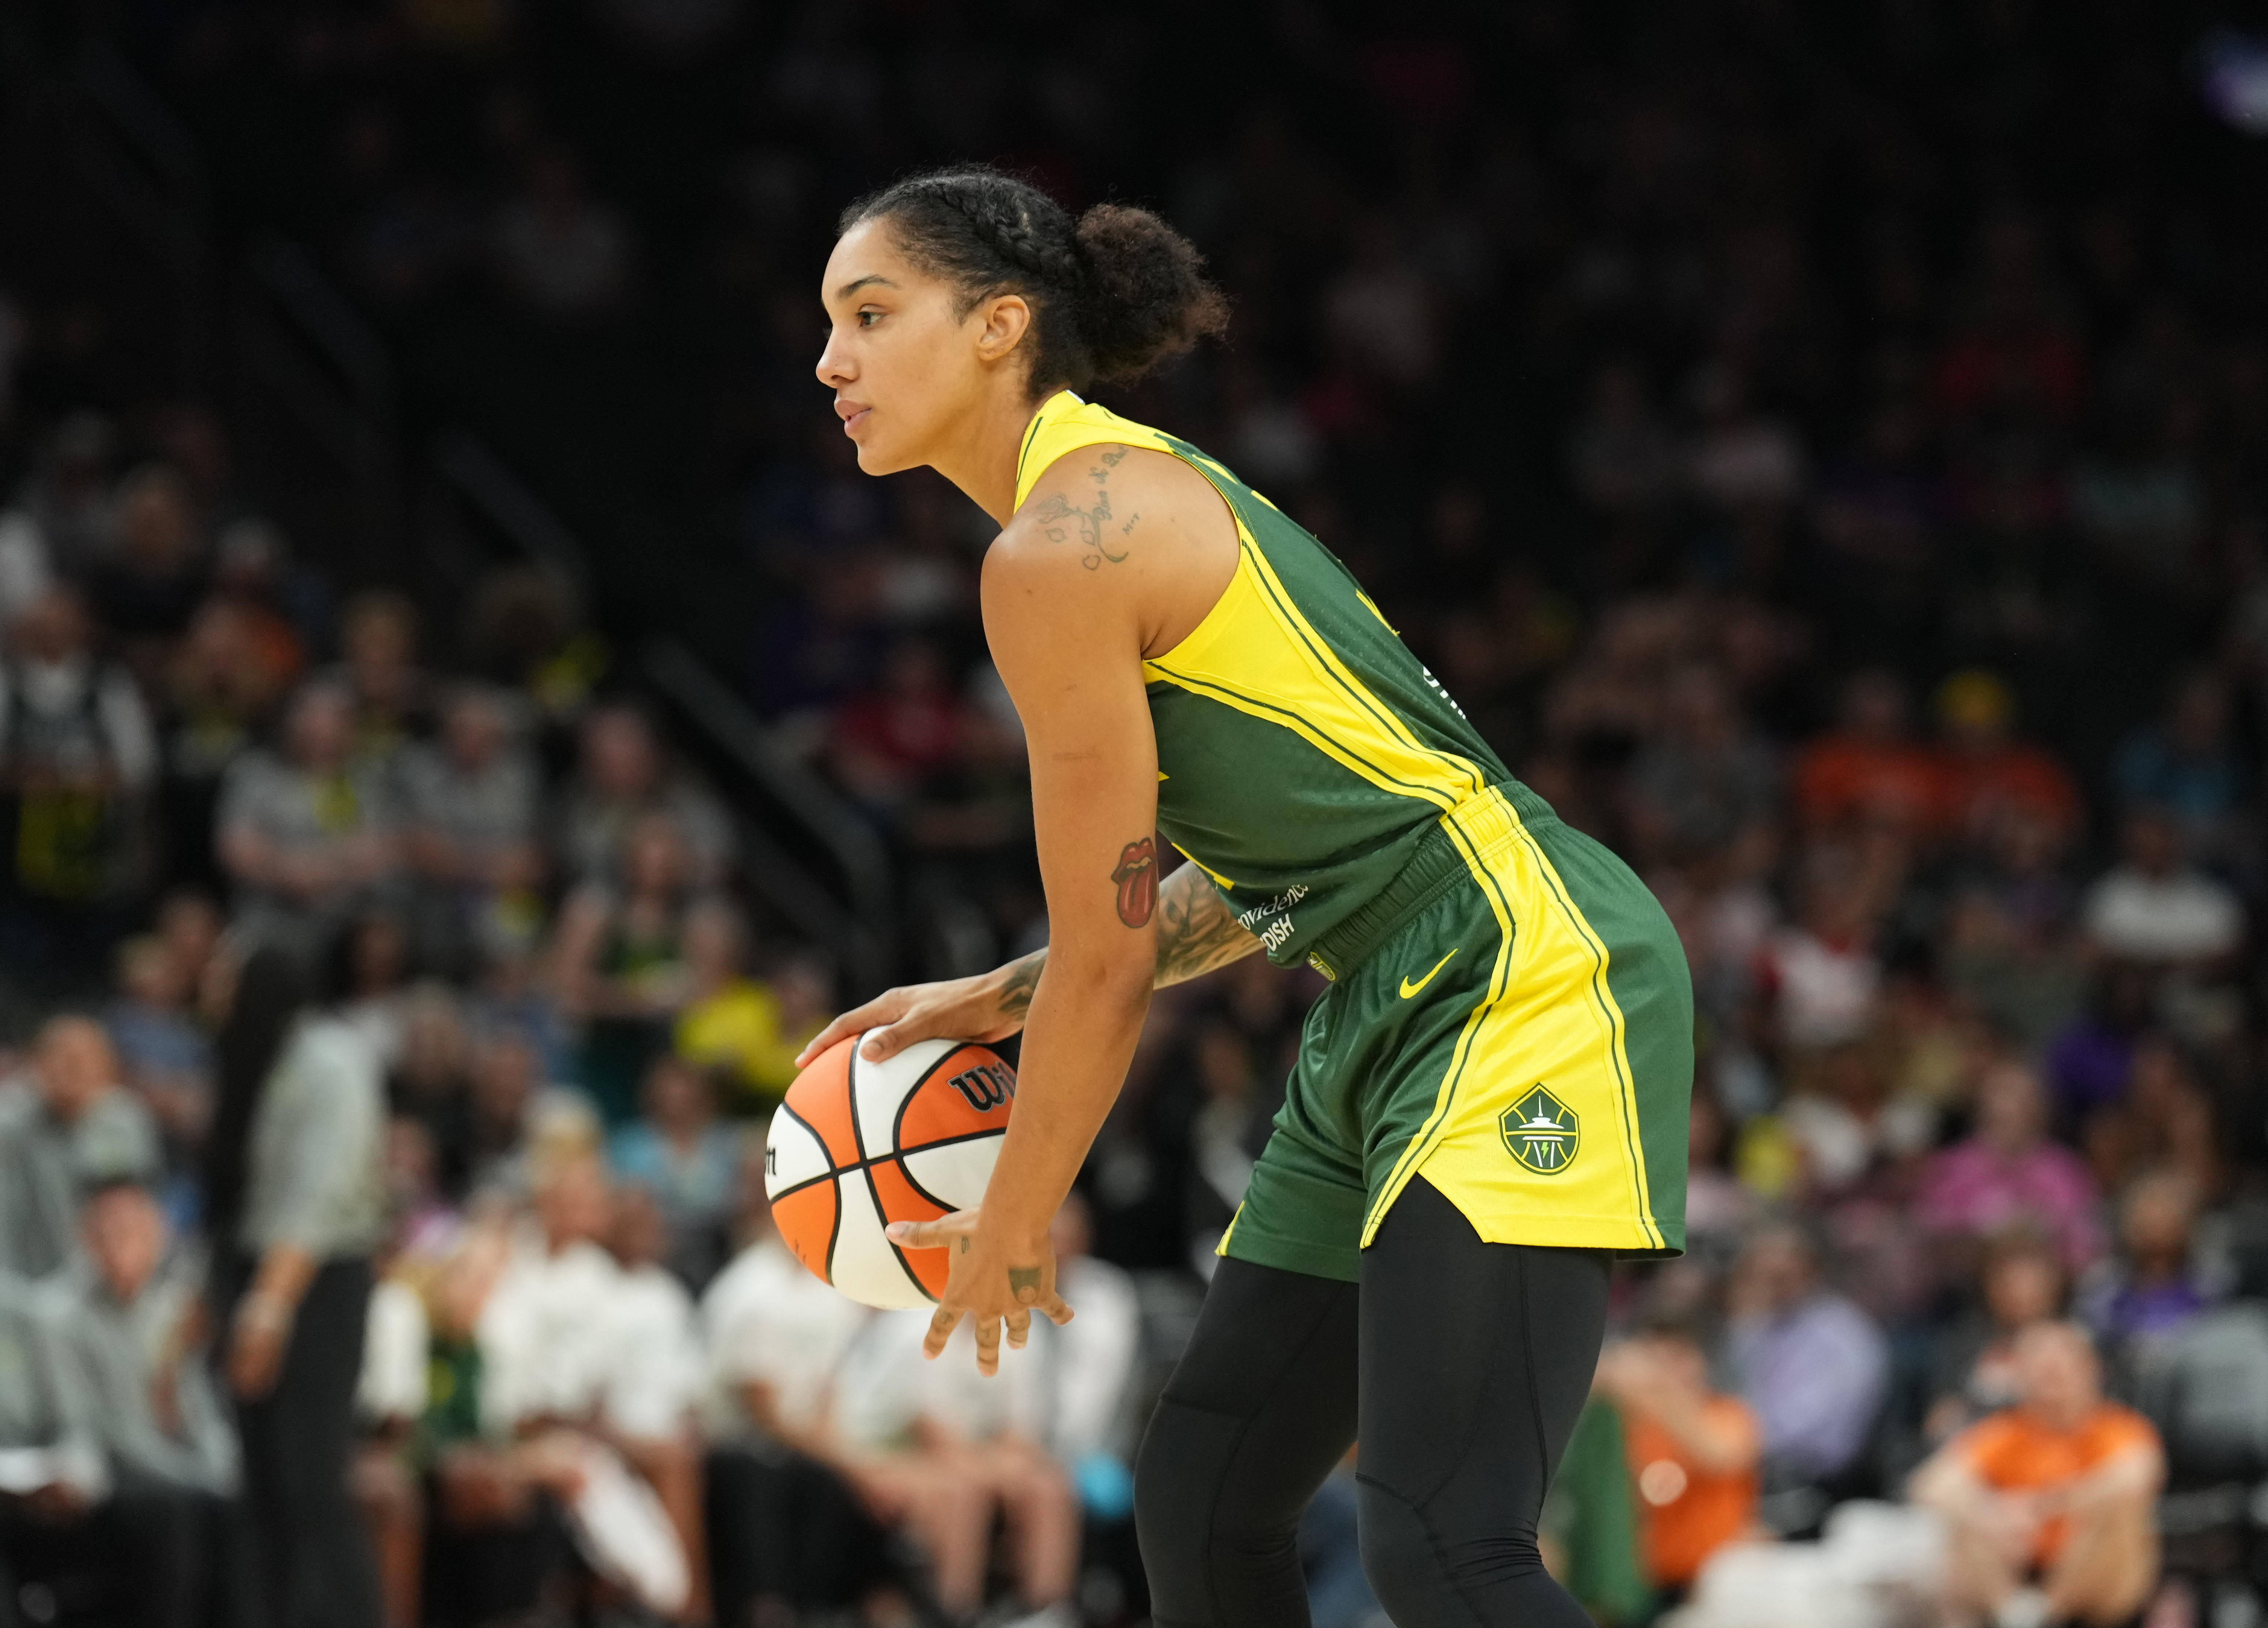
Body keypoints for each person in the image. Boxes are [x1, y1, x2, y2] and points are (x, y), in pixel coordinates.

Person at [796, 166, 1694, 1627]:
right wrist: (1001, 994)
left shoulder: (1063, 547)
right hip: (1390, 980)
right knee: (1207, 1497)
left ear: (996, 327)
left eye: (870, 314)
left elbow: (1113, 963)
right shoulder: (1115, 492)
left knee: (1443, 1543)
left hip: (1516, 967)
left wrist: (1014, 1214)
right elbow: (1223, 885)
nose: (830, 362)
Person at [203, 943, 389, 1628]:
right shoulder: (257, 1054)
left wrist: (268, 1309)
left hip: (313, 1284)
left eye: (226, 970)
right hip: (255, 1274)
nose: (211, 982)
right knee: (262, 1487)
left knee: (311, 1481)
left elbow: (314, 1194)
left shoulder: (330, 1056)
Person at [1909, 1321, 2162, 1628]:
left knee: (2123, 1514)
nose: (2051, 1381)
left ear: (2090, 1370)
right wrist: (1991, 1513)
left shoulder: (2119, 1428)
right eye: (2040, 1371)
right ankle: (2018, 1613)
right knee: (1959, 1522)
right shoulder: (2006, 1431)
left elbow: (2137, 1476)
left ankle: (2048, 1612)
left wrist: (2046, 1506)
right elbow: (1932, 1484)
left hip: (2090, 1575)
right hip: (2013, 1569)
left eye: (2060, 1369)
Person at [1593, 1312, 1762, 1598]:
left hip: (1710, 1585)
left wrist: (1656, 1389)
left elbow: (1720, 1455)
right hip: (1641, 1585)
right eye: (1655, 1359)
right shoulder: (1628, 1426)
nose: (1664, 1371)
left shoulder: (1728, 1413)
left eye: (1676, 1359)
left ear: (1700, 1361)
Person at [0, 1014, 160, 1278]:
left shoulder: (126, 1124)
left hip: (101, 1288)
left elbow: (141, 1217)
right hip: (19, 1284)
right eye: (62, 1057)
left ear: (109, 1069)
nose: (74, 1069)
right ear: (35, 1063)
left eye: (86, 1059)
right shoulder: (8, 1125)